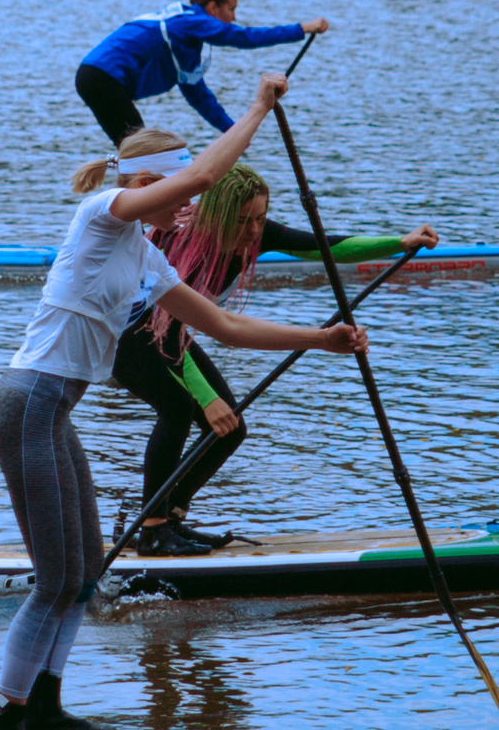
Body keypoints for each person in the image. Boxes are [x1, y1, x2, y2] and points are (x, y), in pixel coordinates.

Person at [0, 74, 368, 730]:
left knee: (84, 573)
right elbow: (202, 170)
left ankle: (44, 707)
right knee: (53, 579)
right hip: (29, 402)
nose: (192, 204)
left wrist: (322, 337)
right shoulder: (105, 214)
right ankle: (3, 729)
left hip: (53, 408)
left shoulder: (146, 256)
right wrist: (256, 108)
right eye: (184, 195)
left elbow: (224, 324)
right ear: (150, 182)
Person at [110, 165, 439, 555]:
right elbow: (161, 329)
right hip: (127, 337)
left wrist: (399, 242)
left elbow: (328, 246)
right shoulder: (180, 246)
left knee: (229, 429)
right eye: (243, 221)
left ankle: (166, 518)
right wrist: (206, 397)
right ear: (216, 216)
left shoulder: (258, 234)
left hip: (170, 336)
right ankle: (151, 530)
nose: (253, 231)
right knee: (180, 410)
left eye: (260, 219)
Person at [74, 0, 327, 144]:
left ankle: (113, 185)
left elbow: (200, 97)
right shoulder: (190, 21)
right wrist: (302, 28)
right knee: (140, 150)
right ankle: (134, 215)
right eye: (232, 9)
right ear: (214, 8)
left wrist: (233, 132)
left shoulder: (186, 45)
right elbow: (244, 37)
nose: (234, 17)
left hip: (95, 78)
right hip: (102, 77)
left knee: (133, 150)